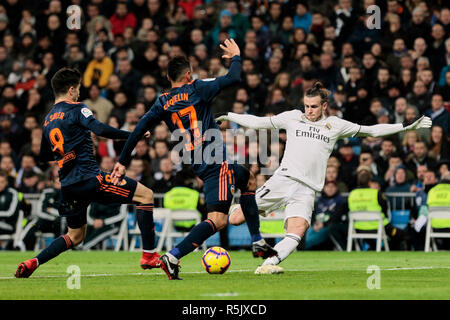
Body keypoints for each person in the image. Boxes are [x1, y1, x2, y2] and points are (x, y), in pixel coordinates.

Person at [219, 81, 431, 274]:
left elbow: (372, 131)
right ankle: (243, 207)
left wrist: (405, 126)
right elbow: (257, 123)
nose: (309, 111)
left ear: (324, 106)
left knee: (298, 230)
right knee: (236, 219)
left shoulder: (335, 125)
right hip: (283, 180)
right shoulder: (292, 117)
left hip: (307, 189)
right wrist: (229, 115)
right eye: (307, 106)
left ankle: (267, 265)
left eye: (313, 106)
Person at [111, 39, 276, 280]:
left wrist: (123, 160)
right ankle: (173, 256)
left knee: (248, 179)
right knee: (218, 221)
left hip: (198, 162)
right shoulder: (198, 88)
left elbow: (138, 130)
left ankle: (257, 240)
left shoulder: (162, 102)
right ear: (188, 74)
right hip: (216, 164)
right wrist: (236, 57)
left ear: (169, 78)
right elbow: (233, 78)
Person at [15, 68, 156, 278]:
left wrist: (66, 156)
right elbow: (99, 129)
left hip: (68, 186)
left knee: (75, 236)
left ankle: (34, 262)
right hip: (90, 179)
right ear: (71, 89)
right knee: (146, 195)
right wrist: (133, 134)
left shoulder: (47, 120)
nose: (79, 93)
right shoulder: (77, 108)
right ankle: (148, 256)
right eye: (79, 89)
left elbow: (44, 156)